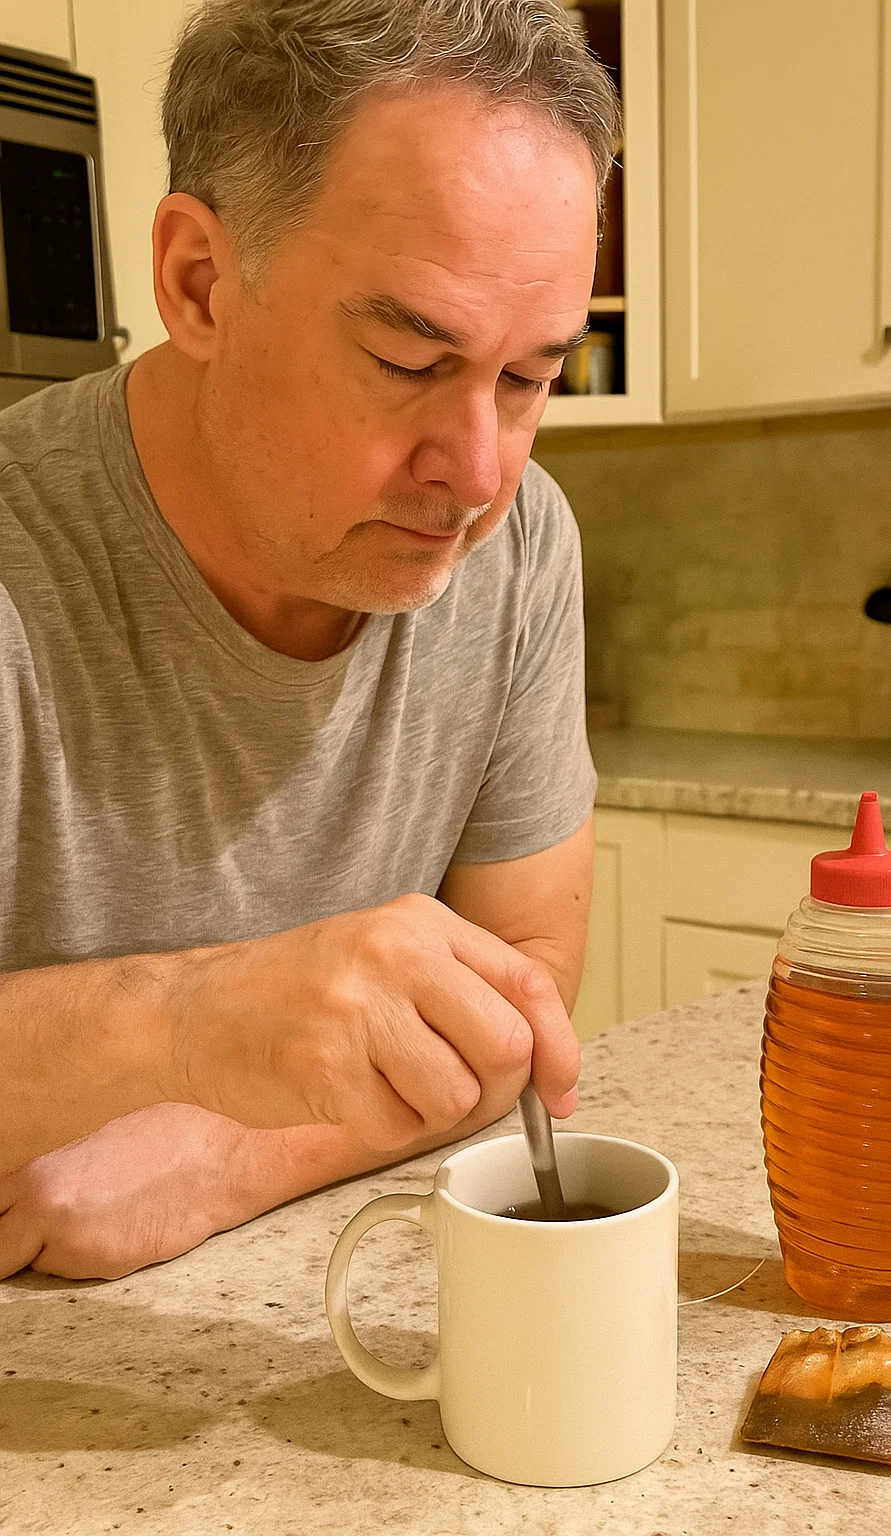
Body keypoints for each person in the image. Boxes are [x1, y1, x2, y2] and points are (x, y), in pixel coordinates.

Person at [0, 0, 618, 1279]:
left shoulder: (521, 547)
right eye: (406, 356)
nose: (479, 473)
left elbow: (521, 998)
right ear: (200, 282)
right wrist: (187, 1025)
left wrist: (232, 1151)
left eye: (530, 377)